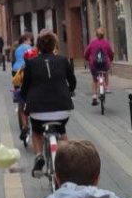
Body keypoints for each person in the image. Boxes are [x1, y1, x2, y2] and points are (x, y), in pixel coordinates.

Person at [20, 31, 77, 177]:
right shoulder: (63, 60)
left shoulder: (31, 64)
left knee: (37, 131)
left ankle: (39, 156)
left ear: (38, 47)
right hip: (62, 108)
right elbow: (73, 82)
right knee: (61, 128)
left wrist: (25, 100)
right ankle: (69, 158)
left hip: (38, 110)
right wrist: (69, 91)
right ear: (54, 46)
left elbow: (25, 88)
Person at [10, 31, 35, 142]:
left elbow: (14, 60)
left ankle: (24, 125)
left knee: (21, 99)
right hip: (27, 71)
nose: (31, 41)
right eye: (30, 39)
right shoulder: (29, 48)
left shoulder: (17, 48)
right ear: (27, 39)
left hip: (16, 72)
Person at [83, 28, 114, 106]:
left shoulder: (92, 43)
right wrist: (111, 59)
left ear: (96, 35)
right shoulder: (106, 43)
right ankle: (106, 87)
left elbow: (86, 53)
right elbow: (111, 53)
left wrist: (87, 59)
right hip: (104, 65)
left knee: (94, 80)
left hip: (94, 65)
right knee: (106, 73)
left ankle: (94, 96)